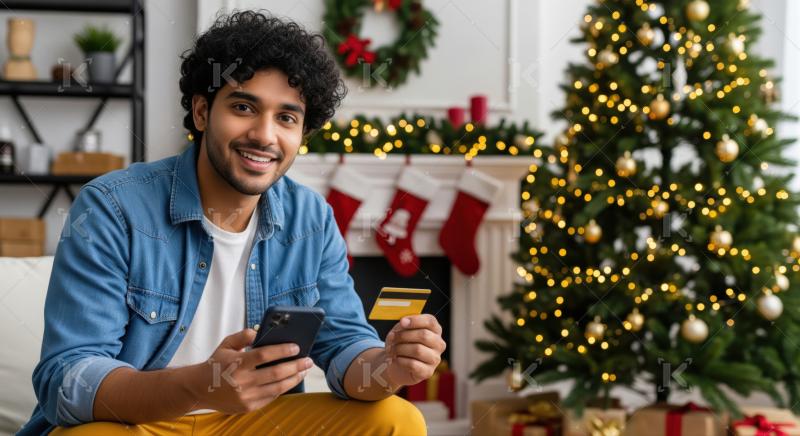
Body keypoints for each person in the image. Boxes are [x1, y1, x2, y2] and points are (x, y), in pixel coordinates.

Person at [18, 11, 444, 436]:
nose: (264, 135)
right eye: (243, 107)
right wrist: (201, 386)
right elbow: (67, 380)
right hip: (138, 424)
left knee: (398, 418)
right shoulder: (113, 207)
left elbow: (346, 346)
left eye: (286, 118)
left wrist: (388, 367)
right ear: (202, 112)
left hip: (255, 424)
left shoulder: (311, 218)